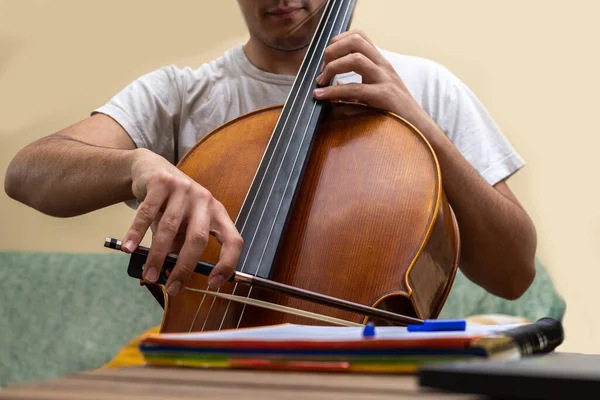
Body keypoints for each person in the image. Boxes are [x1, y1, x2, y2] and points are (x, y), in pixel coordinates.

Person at [4, 0, 537, 302]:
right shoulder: (179, 96)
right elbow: (28, 172)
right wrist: (136, 166)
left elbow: (512, 274)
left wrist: (421, 128)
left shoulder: (424, 86)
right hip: (204, 364)